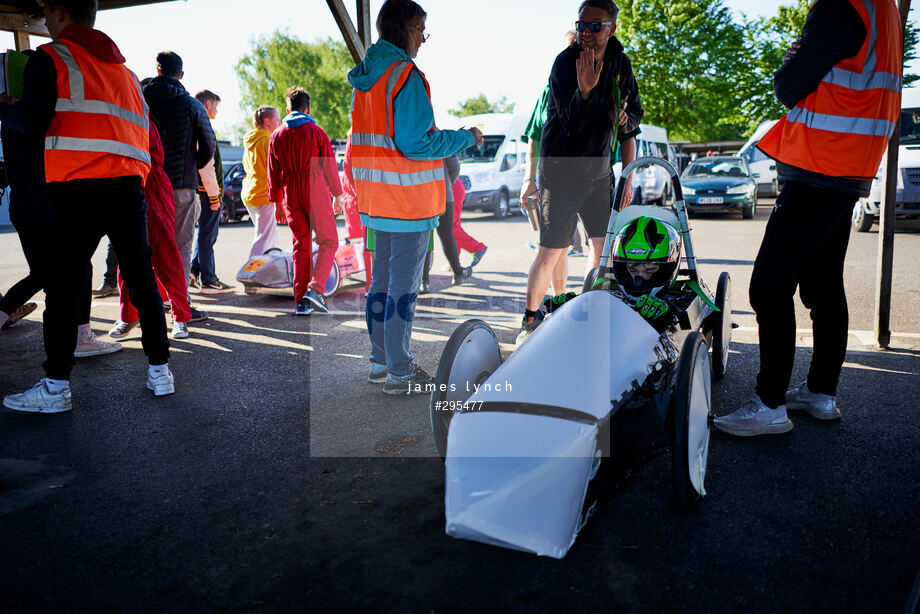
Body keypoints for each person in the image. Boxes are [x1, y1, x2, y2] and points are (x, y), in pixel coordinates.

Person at [715, 0, 903, 437]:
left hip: (821, 161)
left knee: (768, 285)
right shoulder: (884, 10)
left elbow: (789, 85)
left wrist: (792, 61)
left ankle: (769, 404)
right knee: (822, 285)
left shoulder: (841, 5)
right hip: (850, 164)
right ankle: (820, 392)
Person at [2, 0, 173, 414]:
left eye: (47, 13)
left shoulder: (53, 57)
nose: (44, 20)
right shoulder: (126, 73)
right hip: (128, 186)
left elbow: (34, 122)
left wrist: (6, 109)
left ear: (61, 14)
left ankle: (56, 386)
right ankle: (160, 371)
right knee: (141, 278)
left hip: (77, 185)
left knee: (61, 287)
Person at [348, 0, 482, 395]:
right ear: (404, 27)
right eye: (421, 28)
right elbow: (415, 143)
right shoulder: (405, 75)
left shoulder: (369, 76)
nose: (423, 37)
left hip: (377, 200)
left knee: (381, 283)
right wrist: (464, 138)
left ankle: (379, 362)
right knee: (402, 289)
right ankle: (400, 371)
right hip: (406, 204)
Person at [518, 0, 643, 345]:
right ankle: (529, 320)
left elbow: (634, 115)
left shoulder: (621, 62)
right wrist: (585, 89)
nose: (586, 33)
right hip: (561, 170)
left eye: (595, 26)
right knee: (551, 250)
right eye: (582, 25)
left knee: (602, 248)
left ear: (611, 29)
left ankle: (590, 310)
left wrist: (624, 118)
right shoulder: (563, 63)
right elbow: (570, 122)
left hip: (601, 172)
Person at [0, 108, 118, 358]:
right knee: (80, 264)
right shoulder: (47, 116)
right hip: (52, 204)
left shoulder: (9, 118)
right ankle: (81, 336)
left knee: (41, 273)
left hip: (22, 207)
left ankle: (2, 314)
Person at [143, 50, 216, 322]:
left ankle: (153, 301)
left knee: (150, 245)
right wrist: (191, 165)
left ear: (158, 70)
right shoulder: (191, 104)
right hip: (183, 185)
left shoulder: (140, 100)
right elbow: (209, 145)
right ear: (181, 74)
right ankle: (180, 304)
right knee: (182, 245)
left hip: (147, 182)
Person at [110, 120, 193, 340]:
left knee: (166, 255)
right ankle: (128, 315)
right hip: (123, 185)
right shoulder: (118, 110)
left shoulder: (141, 116)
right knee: (127, 257)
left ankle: (180, 316)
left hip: (150, 184)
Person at [268, 86, 342, 315]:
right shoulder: (317, 132)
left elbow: (272, 171)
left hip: (291, 192)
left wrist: (277, 202)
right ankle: (316, 289)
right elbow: (329, 166)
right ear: (308, 108)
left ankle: (301, 301)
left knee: (302, 246)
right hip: (315, 189)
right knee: (329, 241)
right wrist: (337, 196)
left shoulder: (277, 135)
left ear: (288, 109)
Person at [190, 89, 234, 294]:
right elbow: (207, 166)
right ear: (207, 104)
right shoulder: (201, 125)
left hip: (202, 189)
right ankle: (209, 278)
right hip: (206, 190)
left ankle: (194, 270)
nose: (216, 109)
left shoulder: (194, 123)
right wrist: (215, 196)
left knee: (205, 233)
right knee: (208, 235)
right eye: (215, 105)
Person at [420, 155, 473, 294]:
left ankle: (423, 282)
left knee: (424, 237)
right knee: (446, 235)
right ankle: (458, 272)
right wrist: (448, 184)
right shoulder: (442, 139)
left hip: (421, 195)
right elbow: (455, 167)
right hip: (443, 195)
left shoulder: (414, 138)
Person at [241, 105, 282, 258]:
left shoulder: (250, 140)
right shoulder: (268, 140)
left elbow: (246, 165)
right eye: (277, 120)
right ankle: (251, 274)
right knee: (263, 238)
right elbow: (276, 169)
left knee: (268, 237)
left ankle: (270, 271)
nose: (279, 123)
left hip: (250, 192)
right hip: (264, 194)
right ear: (267, 121)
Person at [340, 131, 373, 294]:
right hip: (363, 198)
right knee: (367, 245)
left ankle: (370, 284)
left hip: (360, 197)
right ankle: (371, 285)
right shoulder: (359, 134)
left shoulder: (356, 135)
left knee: (364, 244)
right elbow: (347, 166)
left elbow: (347, 166)